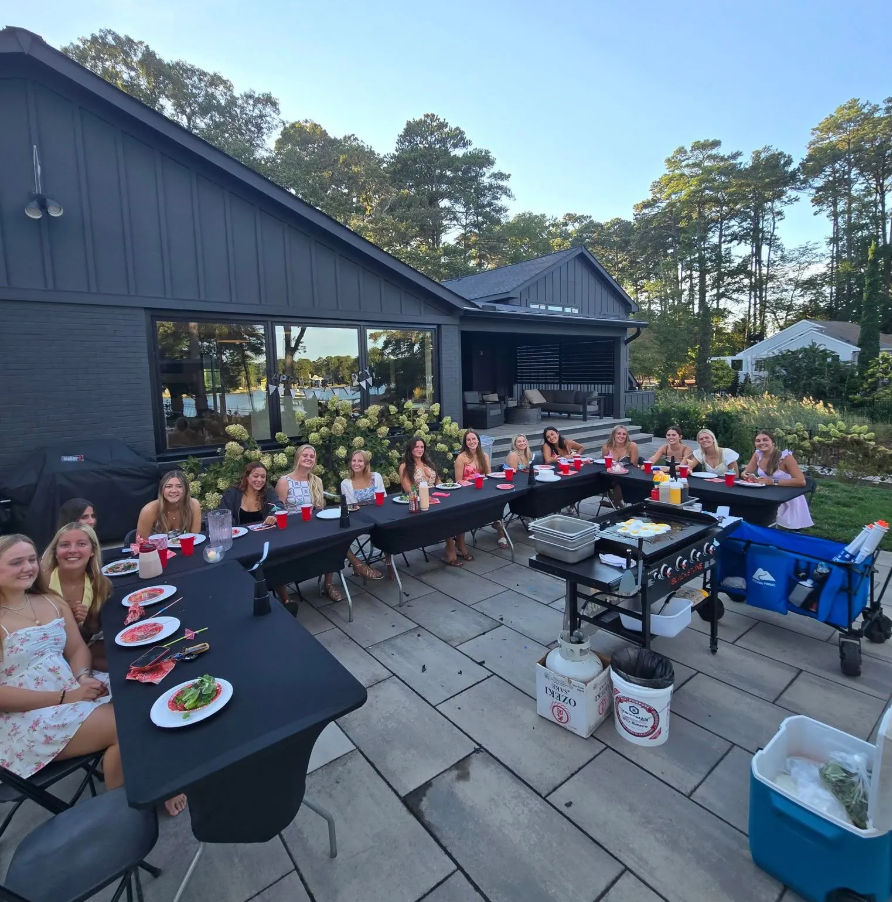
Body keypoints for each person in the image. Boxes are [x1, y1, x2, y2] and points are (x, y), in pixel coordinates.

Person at [276, 445, 344, 601]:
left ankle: (328, 584)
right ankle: (285, 597)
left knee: (335, 540)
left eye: (311, 456)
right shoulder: (285, 481)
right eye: (304, 455)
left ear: (314, 461)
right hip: (291, 529)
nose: (308, 458)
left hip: (312, 526)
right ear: (298, 458)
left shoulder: (316, 481)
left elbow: (319, 509)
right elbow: (278, 510)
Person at [41, 523, 112, 671]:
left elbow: (91, 632)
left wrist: (81, 621)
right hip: (45, 657)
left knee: (120, 659)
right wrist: (64, 618)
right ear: (55, 552)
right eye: (65, 545)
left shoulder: (100, 584)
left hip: (78, 649)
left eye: (81, 544)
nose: (72, 550)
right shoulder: (41, 581)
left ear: (92, 551)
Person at [399, 438, 471, 566]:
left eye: (422, 447)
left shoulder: (428, 463)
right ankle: (450, 549)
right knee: (446, 515)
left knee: (460, 509)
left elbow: (438, 483)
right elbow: (408, 489)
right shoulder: (405, 466)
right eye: (416, 447)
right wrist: (425, 498)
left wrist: (446, 491)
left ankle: (460, 544)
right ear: (410, 449)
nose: (419, 449)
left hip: (437, 497)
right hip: (421, 502)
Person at [741, 430, 813, 529]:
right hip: (766, 496)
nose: (761, 443)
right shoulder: (757, 455)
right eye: (758, 440)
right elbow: (747, 471)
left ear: (773, 442)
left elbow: (801, 481)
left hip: (787, 498)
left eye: (765, 440)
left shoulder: (786, 457)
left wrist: (772, 481)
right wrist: (746, 475)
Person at [454, 430, 508, 549]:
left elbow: (489, 475)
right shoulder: (461, 458)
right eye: (468, 440)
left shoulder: (484, 456)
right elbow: (457, 481)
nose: (471, 442)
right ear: (465, 442)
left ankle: (499, 529)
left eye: (474, 439)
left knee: (497, 502)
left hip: (482, 489)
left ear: (478, 440)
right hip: (467, 491)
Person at [340, 450, 386, 580]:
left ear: (366, 463)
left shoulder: (376, 477)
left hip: (378, 516)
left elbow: (383, 498)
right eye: (354, 460)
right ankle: (358, 565)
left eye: (360, 461)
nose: (356, 463)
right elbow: (351, 507)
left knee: (389, 527)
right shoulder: (346, 483)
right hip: (360, 519)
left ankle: (389, 562)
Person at [136, 470, 202, 539]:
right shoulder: (149, 510)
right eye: (168, 486)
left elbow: (195, 539)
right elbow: (141, 545)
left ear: (186, 490)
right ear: (162, 490)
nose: (173, 490)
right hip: (155, 549)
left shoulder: (193, 505)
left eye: (179, 486)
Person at [221, 462, 278, 526]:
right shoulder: (232, 492)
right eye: (255, 476)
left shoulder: (268, 491)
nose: (259, 480)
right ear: (247, 477)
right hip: (239, 534)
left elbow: (278, 506)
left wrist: (274, 516)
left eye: (263, 477)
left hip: (264, 533)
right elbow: (223, 514)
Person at [601, 425, 639, 508]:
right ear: (614, 435)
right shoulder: (606, 447)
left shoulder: (632, 446)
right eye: (618, 433)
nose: (621, 436)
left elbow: (634, 465)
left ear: (627, 436)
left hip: (627, 476)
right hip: (611, 475)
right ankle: (616, 504)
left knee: (619, 483)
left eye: (624, 434)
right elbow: (604, 464)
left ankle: (615, 503)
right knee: (599, 481)